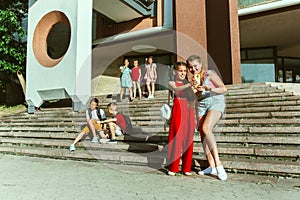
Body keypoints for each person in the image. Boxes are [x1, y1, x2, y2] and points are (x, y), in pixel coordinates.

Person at [186, 55, 228, 180]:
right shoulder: (192, 80)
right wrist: (195, 92)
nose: (193, 69)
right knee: (203, 134)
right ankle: (211, 166)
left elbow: (224, 89)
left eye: (195, 66)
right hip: (201, 106)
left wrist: (210, 89)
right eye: (190, 67)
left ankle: (219, 164)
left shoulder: (209, 74)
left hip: (215, 101)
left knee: (206, 127)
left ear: (200, 64)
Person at [167, 62, 196, 176]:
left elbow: (194, 96)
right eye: (181, 71)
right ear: (175, 71)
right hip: (178, 109)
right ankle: (173, 167)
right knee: (177, 137)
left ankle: (186, 168)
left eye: (184, 71)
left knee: (189, 137)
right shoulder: (171, 82)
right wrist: (190, 85)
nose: (183, 73)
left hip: (189, 110)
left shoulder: (189, 84)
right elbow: (176, 89)